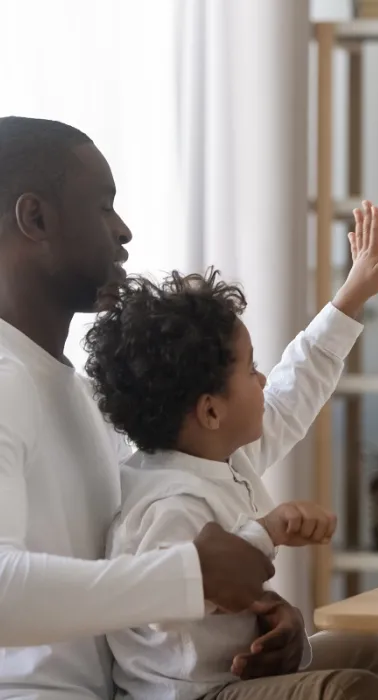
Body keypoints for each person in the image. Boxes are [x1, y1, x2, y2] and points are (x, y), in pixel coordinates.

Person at [0, 116, 285, 700]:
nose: (123, 230)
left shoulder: (71, 391)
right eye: (103, 206)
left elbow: (129, 577)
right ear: (35, 219)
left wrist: (251, 613)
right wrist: (190, 576)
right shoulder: (4, 382)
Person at [85, 202, 378, 700]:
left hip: (236, 678)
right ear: (211, 411)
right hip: (193, 695)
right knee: (348, 689)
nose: (264, 379)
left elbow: (299, 385)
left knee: (364, 649)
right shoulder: (163, 501)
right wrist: (266, 532)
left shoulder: (223, 457)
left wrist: (353, 293)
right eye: (252, 369)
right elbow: (163, 597)